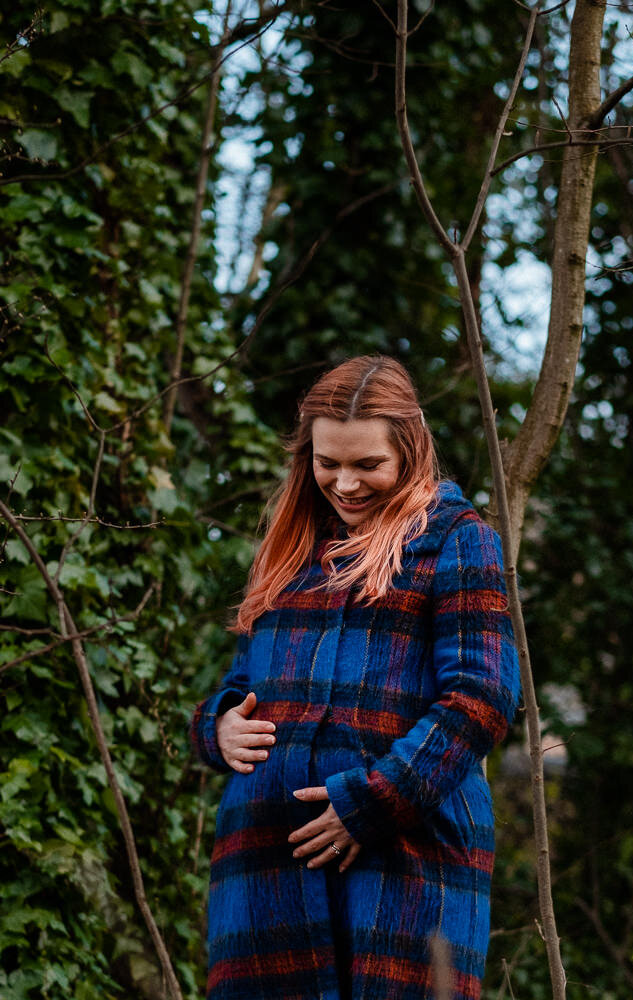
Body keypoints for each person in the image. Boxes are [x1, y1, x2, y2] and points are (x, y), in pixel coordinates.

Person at [190, 356, 520, 1000]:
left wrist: (370, 804)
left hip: (407, 864)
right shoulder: (289, 548)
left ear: (411, 448)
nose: (343, 483)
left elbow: (482, 695)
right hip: (267, 873)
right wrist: (218, 727)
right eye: (327, 463)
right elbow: (240, 685)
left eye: (368, 464)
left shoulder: (456, 539)